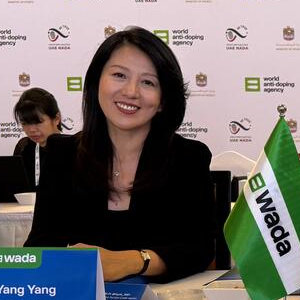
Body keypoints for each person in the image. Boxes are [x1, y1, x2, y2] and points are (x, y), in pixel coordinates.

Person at [25, 27, 216, 281]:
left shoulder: (189, 157)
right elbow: (41, 246)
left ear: (163, 101)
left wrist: (132, 261)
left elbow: (199, 250)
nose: (131, 92)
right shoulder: (62, 153)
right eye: (119, 75)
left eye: (148, 82)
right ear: (96, 83)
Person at [12, 87, 62, 190]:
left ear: (56, 119)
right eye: (25, 123)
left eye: (38, 122)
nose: (31, 130)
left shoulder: (76, 149)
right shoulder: (24, 148)